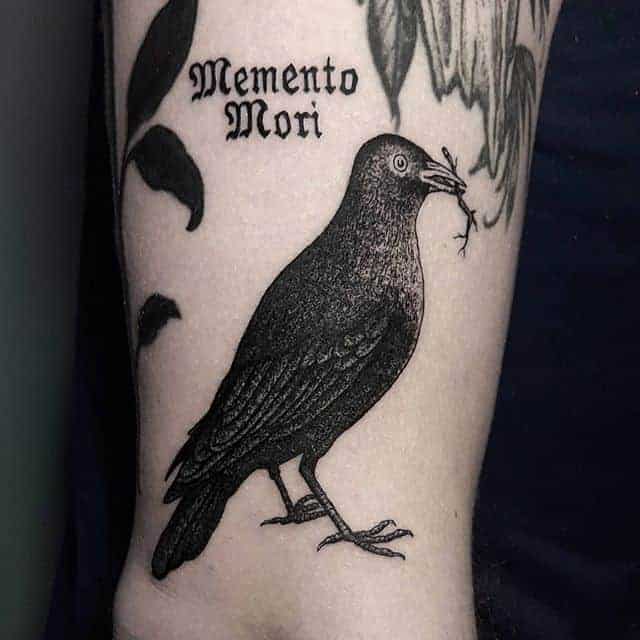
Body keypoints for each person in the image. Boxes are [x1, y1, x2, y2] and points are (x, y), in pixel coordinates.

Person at [105, 2, 563, 639]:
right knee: (300, 466)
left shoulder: (352, 263)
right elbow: (276, 605)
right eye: (403, 166)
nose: (423, 173)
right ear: (377, 182)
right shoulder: (372, 287)